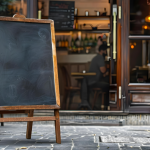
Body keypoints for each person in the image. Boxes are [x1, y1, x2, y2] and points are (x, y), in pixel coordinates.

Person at [88, 44, 110, 110]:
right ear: (102, 51)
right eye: (106, 51)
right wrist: (107, 69)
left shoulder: (96, 57)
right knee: (109, 86)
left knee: (106, 84)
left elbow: (102, 73)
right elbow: (103, 70)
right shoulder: (100, 57)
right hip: (94, 82)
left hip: (91, 81)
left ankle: (103, 105)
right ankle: (106, 106)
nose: (106, 53)